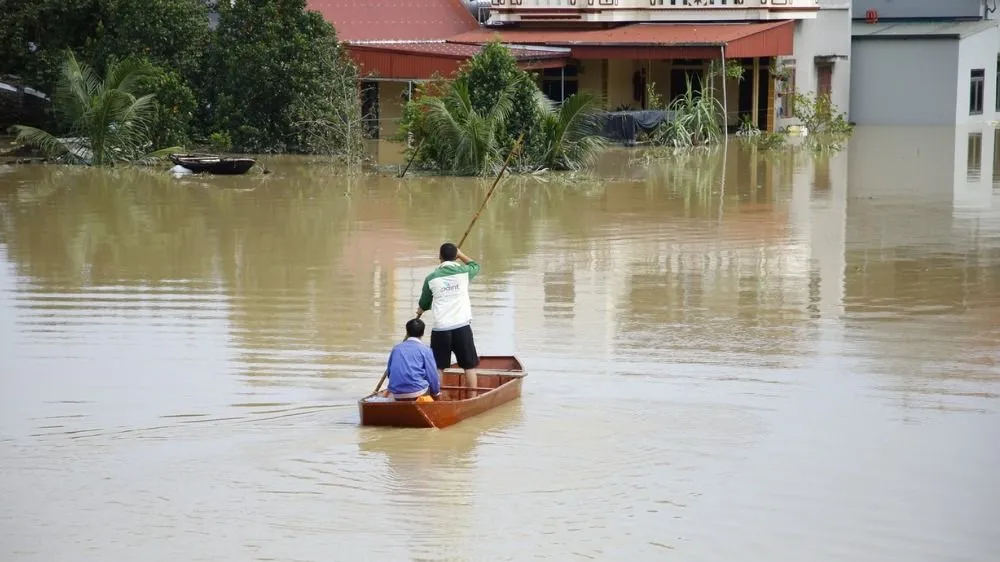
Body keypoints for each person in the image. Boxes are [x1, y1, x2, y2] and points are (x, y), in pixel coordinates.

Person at [416, 242, 481, 392]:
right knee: (469, 366)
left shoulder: (431, 278)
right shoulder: (464, 273)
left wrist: (422, 308)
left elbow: (424, 303)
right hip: (462, 327)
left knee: (438, 367)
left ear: (440, 256)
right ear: (455, 256)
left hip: (441, 329)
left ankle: (436, 396)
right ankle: (472, 397)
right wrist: (461, 255)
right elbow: (475, 265)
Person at [385, 318, 441, 401]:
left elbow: (389, 373)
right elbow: (432, 375)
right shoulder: (425, 350)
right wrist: (436, 394)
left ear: (407, 332)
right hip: (418, 392)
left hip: (397, 393)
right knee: (431, 387)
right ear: (423, 333)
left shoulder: (396, 349)